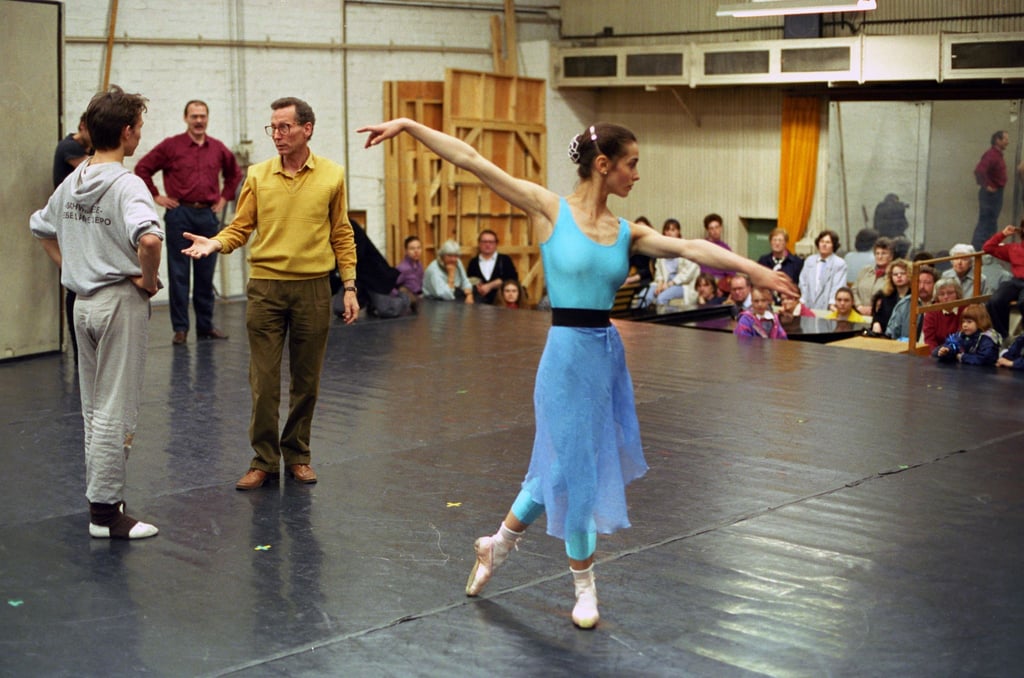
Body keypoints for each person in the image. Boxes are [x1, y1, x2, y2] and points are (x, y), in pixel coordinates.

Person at [358, 118, 798, 629]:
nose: (637, 174)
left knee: (559, 469)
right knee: (578, 469)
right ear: (604, 165)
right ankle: (584, 587)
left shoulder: (628, 232)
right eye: (632, 164)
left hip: (604, 355)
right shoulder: (549, 209)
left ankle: (496, 545)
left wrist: (755, 270)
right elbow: (472, 161)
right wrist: (410, 125)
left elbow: (691, 249)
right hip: (564, 357)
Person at [181, 96, 358, 491]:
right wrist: (215, 243)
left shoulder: (333, 175)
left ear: (306, 128)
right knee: (262, 382)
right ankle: (263, 459)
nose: (276, 135)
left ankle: (298, 454)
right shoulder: (258, 175)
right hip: (265, 289)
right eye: (272, 128)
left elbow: (342, 233)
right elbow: (240, 228)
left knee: (306, 381)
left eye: (285, 127)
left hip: (313, 287)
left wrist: (349, 286)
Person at [30, 85, 163, 539]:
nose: (140, 135)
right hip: (116, 304)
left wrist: (74, 265)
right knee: (114, 409)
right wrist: (147, 280)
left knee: (94, 408)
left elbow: (39, 225)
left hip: (82, 304)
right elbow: (149, 239)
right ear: (126, 133)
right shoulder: (128, 185)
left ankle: (104, 498)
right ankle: (105, 514)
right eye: (139, 128)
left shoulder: (76, 178)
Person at [135, 100, 242, 345]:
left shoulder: (217, 148)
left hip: (206, 216)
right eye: (194, 116)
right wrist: (157, 197)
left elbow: (234, 173)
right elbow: (143, 168)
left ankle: (205, 326)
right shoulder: (171, 146)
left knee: (206, 275)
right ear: (185, 118)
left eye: (202, 116)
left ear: (208, 118)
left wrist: (225, 198)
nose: (198, 120)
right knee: (179, 274)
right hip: (180, 214)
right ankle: (181, 329)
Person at [52, 111, 94, 363]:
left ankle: (85, 348)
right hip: (70, 221)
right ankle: (79, 349)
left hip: (82, 222)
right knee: (74, 284)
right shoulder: (69, 146)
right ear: (82, 127)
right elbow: (91, 171)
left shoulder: (87, 148)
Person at [643, 218, 699, 306]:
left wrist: (671, 283)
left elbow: (688, 273)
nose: (669, 233)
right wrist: (660, 283)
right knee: (645, 297)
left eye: (673, 230)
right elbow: (659, 272)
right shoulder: (661, 250)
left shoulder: (686, 247)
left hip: (681, 284)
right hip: (664, 282)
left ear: (678, 232)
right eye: (667, 230)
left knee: (661, 298)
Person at [982, 223, 1024, 340]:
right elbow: (988, 248)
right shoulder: (1014, 248)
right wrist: (1003, 234)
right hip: (1016, 281)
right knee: (994, 301)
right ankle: (1002, 336)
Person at [971, 130, 1009, 251]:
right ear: (998, 140)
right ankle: (978, 249)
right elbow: (979, 170)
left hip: (996, 194)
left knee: (991, 222)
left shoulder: (997, 155)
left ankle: (988, 248)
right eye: (1005, 139)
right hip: (990, 195)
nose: (1008, 142)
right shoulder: (991, 155)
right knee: (986, 222)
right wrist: (986, 185)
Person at [932, 304, 1000, 366]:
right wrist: (947, 351)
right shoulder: (961, 335)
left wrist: (962, 357)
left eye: (969, 322)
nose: (964, 325)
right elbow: (953, 345)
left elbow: (984, 359)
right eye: (963, 322)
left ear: (981, 322)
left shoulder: (987, 338)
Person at [799, 229, 848, 311]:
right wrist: (803, 299)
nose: (824, 245)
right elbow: (803, 282)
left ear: (833, 245)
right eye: (822, 241)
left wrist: (831, 303)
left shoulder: (839, 263)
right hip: (808, 305)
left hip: (828, 307)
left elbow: (838, 286)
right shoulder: (809, 260)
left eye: (828, 242)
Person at [466, 229, 518, 304]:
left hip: (502, 304)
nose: (487, 245)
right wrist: (477, 286)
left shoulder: (505, 260)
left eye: (491, 242)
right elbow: (469, 280)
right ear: (479, 244)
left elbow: (513, 279)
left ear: (496, 244)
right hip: (479, 304)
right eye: (484, 242)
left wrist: (490, 285)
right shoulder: (473, 262)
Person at [884, 265, 936, 340]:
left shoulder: (940, 305)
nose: (922, 286)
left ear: (935, 284)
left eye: (927, 283)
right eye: (919, 282)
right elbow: (891, 334)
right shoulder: (903, 305)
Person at [852, 236, 893, 316]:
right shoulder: (865, 270)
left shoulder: (892, 275)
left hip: (881, 316)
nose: (879, 257)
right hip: (859, 314)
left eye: (883, 253)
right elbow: (854, 289)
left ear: (891, 256)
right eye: (877, 253)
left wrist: (874, 308)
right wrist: (859, 306)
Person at [869, 259, 910, 336]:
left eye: (903, 273)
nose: (899, 276)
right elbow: (878, 316)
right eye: (895, 274)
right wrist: (876, 323)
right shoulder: (885, 296)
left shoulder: (914, 296)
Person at [923, 278, 964, 350]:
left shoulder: (965, 309)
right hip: (938, 353)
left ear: (957, 293)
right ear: (937, 297)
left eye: (950, 293)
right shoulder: (931, 312)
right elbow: (929, 340)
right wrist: (938, 353)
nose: (946, 297)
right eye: (941, 294)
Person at [698, 212, 733, 284]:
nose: (715, 231)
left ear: (721, 228)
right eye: (711, 228)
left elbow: (731, 272)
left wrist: (723, 286)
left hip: (720, 281)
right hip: (704, 280)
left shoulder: (726, 249)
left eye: (717, 227)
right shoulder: (702, 245)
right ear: (707, 230)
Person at [394, 235, 425, 303]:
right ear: (406, 251)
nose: (416, 251)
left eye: (418, 248)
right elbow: (392, 286)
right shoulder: (402, 268)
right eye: (412, 249)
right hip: (408, 302)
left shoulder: (419, 264)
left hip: (420, 299)